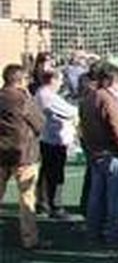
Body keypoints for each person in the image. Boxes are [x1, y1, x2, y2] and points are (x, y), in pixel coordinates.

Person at [79, 62, 118, 246]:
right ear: (112, 80)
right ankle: (114, 234)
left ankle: (93, 232)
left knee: (96, 196)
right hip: (111, 153)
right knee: (114, 198)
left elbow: (83, 128)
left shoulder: (87, 98)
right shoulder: (109, 100)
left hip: (94, 152)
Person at [0, 64, 46, 250]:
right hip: (24, 155)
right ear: (19, 80)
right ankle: (29, 239)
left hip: (1, 153)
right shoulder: (23, 99)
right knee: (27, 198)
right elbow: (40, 123)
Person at [33, 68, 75, 219]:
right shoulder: (48, 95)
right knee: (55, 174)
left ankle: (42, 203)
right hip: (54, 140)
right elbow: (70, 111)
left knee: (46, 172)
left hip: (47, 138)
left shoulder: (41, 93)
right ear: (53, 80)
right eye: (60, 80)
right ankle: (55, 206)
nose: (61, 83)